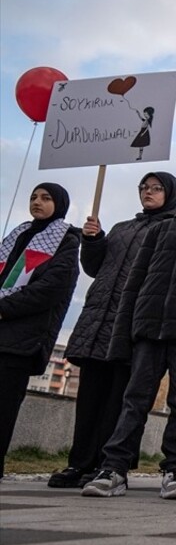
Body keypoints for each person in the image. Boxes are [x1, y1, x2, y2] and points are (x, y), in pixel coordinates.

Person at [83, 167, 176, 499]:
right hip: (149, 328)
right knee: (134, 400)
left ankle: (175, 470)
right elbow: (134, 282)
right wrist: (123, 334)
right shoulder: (163, 228)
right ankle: (114, 467)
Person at [49, 172, 176, 489]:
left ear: (172, 194)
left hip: (133, 324)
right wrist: (93, 241)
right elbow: (96, 268)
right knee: (90, 397)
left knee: (120, 401)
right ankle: (78, 462)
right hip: (98, 322)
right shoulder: (123, 228)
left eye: (156, 188)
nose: (148, 193)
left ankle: (108, 464)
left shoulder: (174, 228)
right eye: (144, 188)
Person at [0, 183, 80, 477]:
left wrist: (4, 308)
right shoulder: (18, 235)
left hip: (23, 337)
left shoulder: (66, 240)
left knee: (4, 406)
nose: (37, 202)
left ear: (59, 204)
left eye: (46, 198)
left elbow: (51, 288)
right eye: (34, 197)